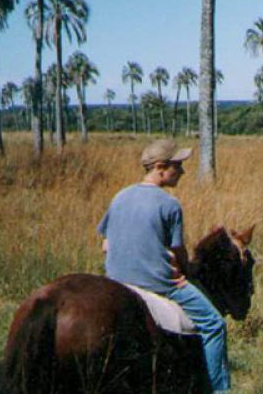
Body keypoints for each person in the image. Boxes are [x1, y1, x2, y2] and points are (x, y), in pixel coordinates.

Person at [96, 139, 230, 393]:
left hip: (115, 278)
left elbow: (105, 245)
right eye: (177, 166)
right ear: (160, 167)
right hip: (157, 283)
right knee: (215, 325)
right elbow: (178, 251)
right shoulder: (170, 205)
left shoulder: (120, 196)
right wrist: (186, 270)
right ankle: (219, 390)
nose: (182, 171)